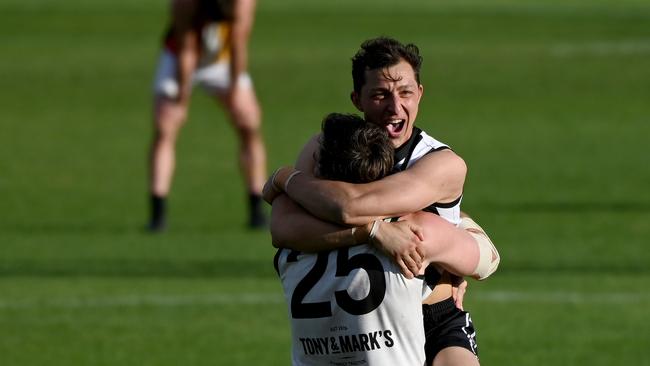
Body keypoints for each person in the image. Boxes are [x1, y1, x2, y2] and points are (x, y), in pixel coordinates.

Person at [265, 37, 499, 365]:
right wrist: (373, 232)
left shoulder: (437, 163)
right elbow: (284, 227)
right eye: (379, 95)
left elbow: (349, 206)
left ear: (420, 93)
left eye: (405, 92)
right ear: (356, 100)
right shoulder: (328, 148)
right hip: (359, 323)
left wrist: (285, 180)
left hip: (433, 319)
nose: (394, 106)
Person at [148, 0, 267, 231]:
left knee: (249, 123)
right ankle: (158, 213)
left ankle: (257, 209)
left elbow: (238, 43)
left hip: (223, 59)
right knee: (165, 125)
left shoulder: (243, 3)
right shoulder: (186, 4)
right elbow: (187, 48)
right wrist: (182, 98)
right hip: (179, 57)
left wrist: (235, 90)